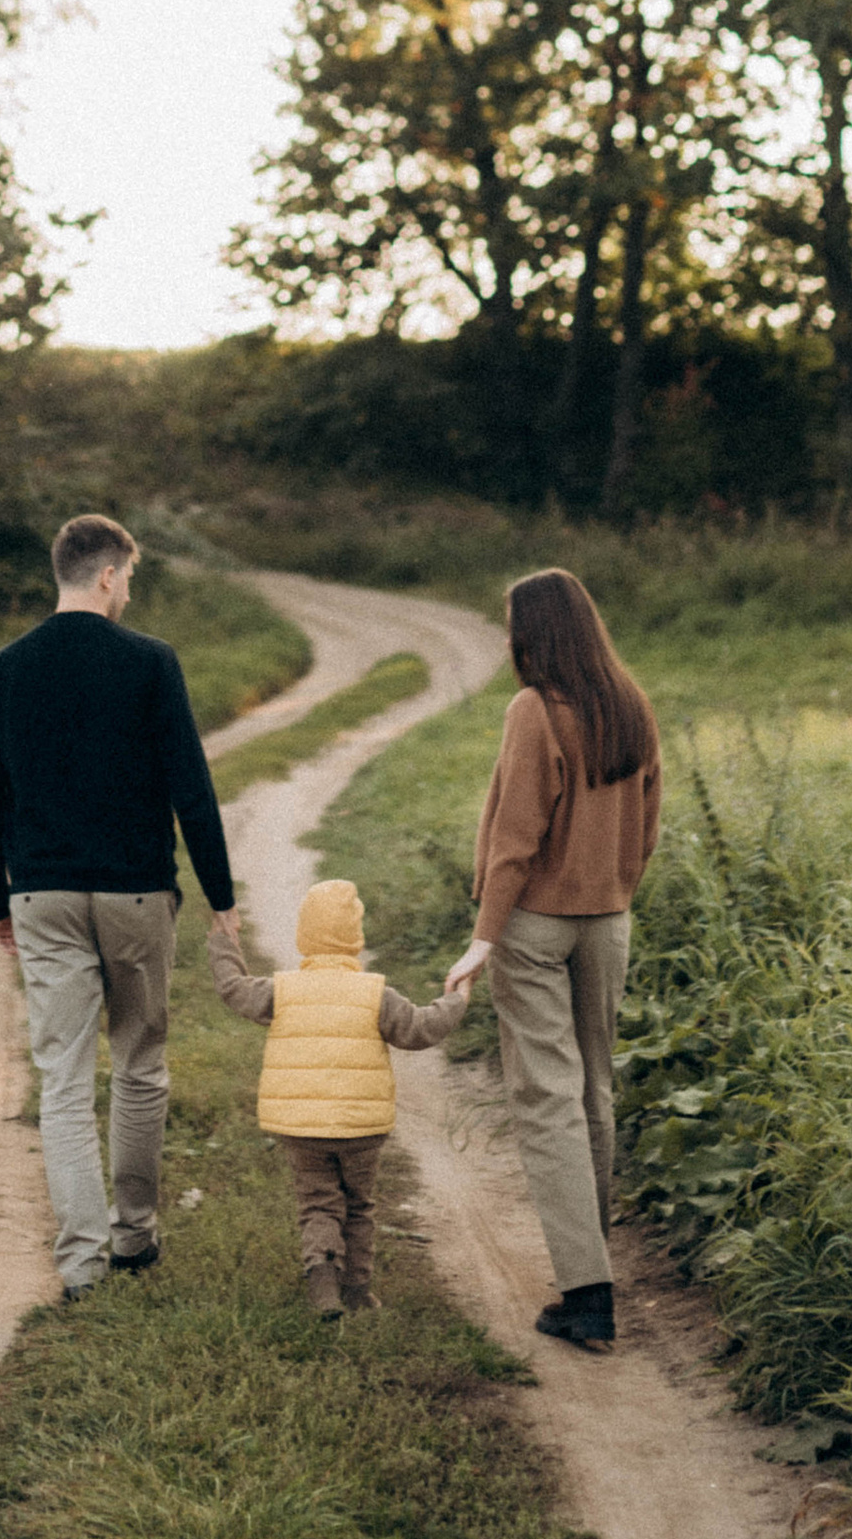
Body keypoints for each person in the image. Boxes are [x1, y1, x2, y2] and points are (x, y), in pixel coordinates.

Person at [0, 512, 239, 1301]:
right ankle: (135, 1236)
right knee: (141, 1063)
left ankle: (81, 1263)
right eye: (130, 579)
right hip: (137, 891)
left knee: (64, 1076)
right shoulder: (152, 662)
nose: (128, 593)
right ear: (111, 574)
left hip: (41, 894)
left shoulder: (4, 670)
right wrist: (221, 896)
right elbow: (192, 785)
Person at [443, 568, 661, 1353]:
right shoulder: (630, 703)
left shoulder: (535, 709)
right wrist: (614, 889)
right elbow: (647, 822)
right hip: (609, 922)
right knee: (594, 1090)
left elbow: (516, 835)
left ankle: (587, 1290)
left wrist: (484, 937)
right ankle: (590, 1263)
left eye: (512, 626)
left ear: (534, 631)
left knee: (547, 1097)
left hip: (536, 924)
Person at [209, 875, 477, 1317]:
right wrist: (458, 999)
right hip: (360, 1128)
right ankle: (356, 1291)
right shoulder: (375, 993)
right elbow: (421, 1029)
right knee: (358, 1206)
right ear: (356, 937)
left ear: (303, 936)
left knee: (318, 1202)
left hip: (302, 1128)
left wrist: (224, 942)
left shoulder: (284, 990)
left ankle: (322, 1280)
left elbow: (233, 990)